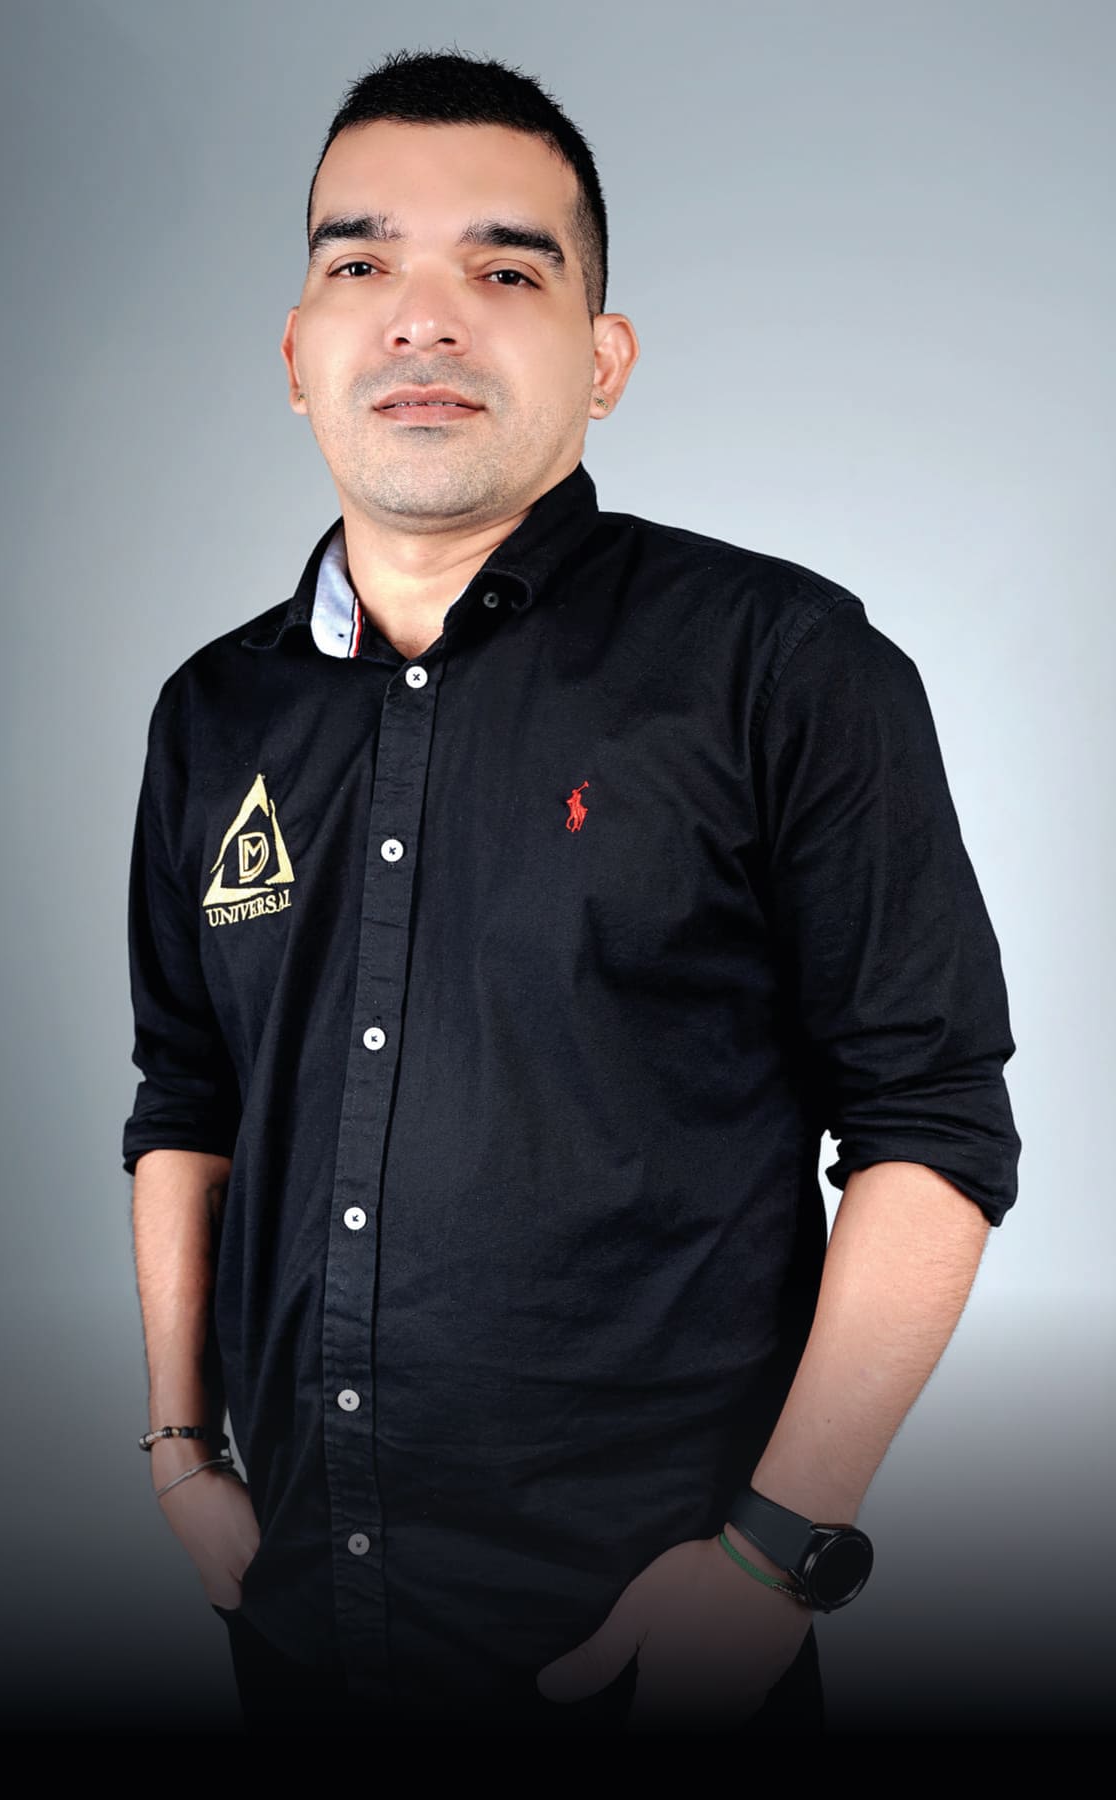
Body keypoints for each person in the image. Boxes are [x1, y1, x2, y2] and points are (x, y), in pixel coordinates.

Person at [122, 48, 1021, 1738]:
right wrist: (182, 1455)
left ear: (603, 360)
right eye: (361, 263)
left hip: (653, 1658)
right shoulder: (211, 715)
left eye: (507, 271)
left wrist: (770, 1561)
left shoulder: (784, 666)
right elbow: (189, 1097)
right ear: (297, 352)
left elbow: (934, 1124)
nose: (423, 317)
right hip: (298, 1628)